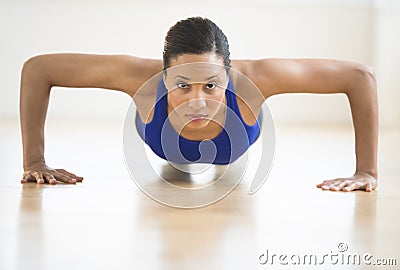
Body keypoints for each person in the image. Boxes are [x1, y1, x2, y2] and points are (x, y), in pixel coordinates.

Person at [19, 17, 378, 192]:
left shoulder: (256, 80)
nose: (197, 102)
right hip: (161, 144)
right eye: (182, 86)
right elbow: (39, 69)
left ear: (228, 74)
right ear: (163, 77)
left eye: (211, 85)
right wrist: (35, 160)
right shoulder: (138, 78)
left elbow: (358, 77)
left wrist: (367, 172)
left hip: (233, 147)